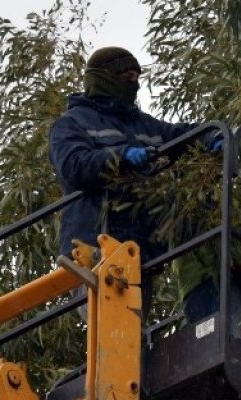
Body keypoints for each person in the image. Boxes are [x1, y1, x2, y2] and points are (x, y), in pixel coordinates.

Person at [49, 46, 196, 265]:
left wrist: (211, 135)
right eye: (128, 77)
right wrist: (120, 156)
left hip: (139, 252)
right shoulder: (71, 122)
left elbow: (178, 136)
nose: (134, 84)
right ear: (103, 78)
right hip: (92, 248)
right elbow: (73, 166)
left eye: (136, 78)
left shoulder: (143, 124)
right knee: (95, 290)